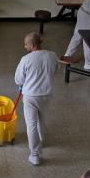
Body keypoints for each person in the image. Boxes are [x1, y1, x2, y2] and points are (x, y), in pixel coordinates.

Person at [14, 32, 59, 166]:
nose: (24, 46)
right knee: (42, 120)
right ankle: (41, 142)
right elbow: (55, 70)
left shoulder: (26, 59)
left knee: (31, 124)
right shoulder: (52, 55)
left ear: (32, 45)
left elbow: (18, 79)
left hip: (30, 96)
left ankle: (34, 155)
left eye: (26, 44)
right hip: (47, 94)